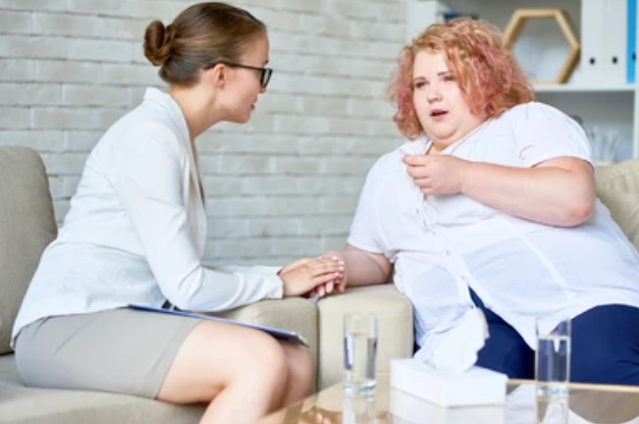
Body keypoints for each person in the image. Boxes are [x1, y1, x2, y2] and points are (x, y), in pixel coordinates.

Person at [11, 3, 343, 424]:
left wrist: (279, 275)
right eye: (261, 71)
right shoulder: (150, 137)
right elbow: (187, 287)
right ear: (220, 74)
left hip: (122, 315)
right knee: (260, 359)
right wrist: (277, 283)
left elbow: (180, 275)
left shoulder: (173, 135)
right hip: (66, 325)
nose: (262, 88)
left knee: (295, 362)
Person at [315, 18, 639, 385]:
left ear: (486, 80)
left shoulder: (528, 121)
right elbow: (372, 258)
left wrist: (463, 176)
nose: (432, 94)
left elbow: (573, 199)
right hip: (468, 325)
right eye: (421, 84)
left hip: (575, 302)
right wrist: (330, 267)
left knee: (596, 377)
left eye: (448, 78)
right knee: (473, 389)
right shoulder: (389, 171)